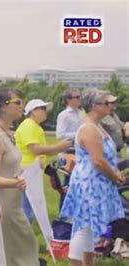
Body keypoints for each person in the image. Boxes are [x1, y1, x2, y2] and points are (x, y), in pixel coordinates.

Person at [60, 89, 125, 266]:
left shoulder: (97, 126)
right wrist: (115, 177)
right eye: (107, 103)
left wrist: (115, 173)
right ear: (94, 106)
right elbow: (98, 161)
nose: (111, 106)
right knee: (82, 228)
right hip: (89, 183)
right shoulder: (89, 129)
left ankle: (88, 264)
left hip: (96, 182)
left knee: (89, 228)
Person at [0, 89, 39, 266]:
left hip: (14, 205)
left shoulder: (8, 134)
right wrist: (14, 183)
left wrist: (30, 168)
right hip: (2, 208)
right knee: (18, 252)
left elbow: (10, 166)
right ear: (3, 107)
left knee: (25, 249)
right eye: (17, 102)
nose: (22, 106)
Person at [14, 99, 72, 222]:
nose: (46, 112)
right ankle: (23, 237)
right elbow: (35, 149)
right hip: (27, 171)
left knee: (30, 208)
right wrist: (58, 147)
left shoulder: (34, 126)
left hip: (31, 171)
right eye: (42, 109)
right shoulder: (29, 126)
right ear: (33, 111)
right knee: (27, 209)